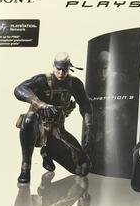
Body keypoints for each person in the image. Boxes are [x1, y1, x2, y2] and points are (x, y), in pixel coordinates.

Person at [14, 52, 92, 184]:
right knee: (29, 119)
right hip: (37, 128)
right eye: (58, 68)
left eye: (65, 69)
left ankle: (48, 152)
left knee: (83, 168)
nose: (61, 72)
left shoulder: (74, 83)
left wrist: (89, 125)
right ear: (54, 66)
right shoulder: (42, 80)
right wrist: (41, 104)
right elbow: (19, 89)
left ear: (69, 68)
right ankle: (26, 166)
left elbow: (85, 104)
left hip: (57, 131)